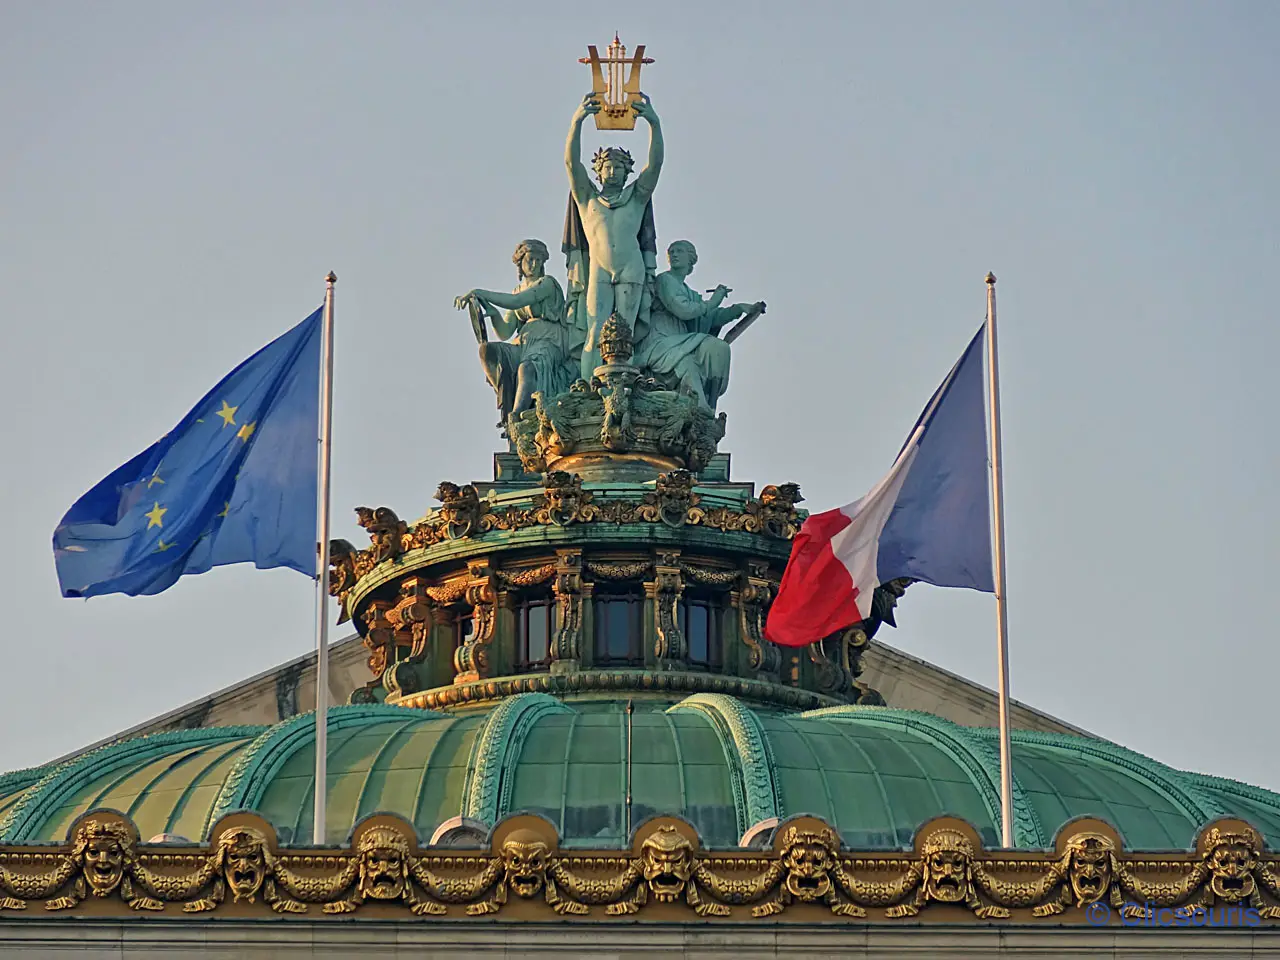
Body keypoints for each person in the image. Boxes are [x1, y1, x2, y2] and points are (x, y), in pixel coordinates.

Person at [564, 91, 663, 380]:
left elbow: (655, 166)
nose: (613, 171)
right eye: (608, 166)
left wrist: (654, 125)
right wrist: (577, 121)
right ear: (598, 170)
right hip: (600, 269)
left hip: (631, 267)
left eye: (619, 167)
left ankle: (624, 389)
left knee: (625, 331)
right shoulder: (587, 199)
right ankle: (586, 388)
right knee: (595, 331)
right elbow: (571, 164)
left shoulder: (636, 197)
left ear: (626, 172)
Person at [454, 239, 573, 430]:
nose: (534, 264)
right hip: (524, 342)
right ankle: (507, 397)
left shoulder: (547, 284)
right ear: (520, 263)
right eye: (530, 260)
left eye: (538, 260)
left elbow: (516, 301)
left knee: (526, 368)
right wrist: (493, 315)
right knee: (487, 351)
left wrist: (479, 292)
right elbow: (504, 332)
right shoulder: (518, 289)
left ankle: (516, 416)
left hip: (549, 339)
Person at [634, 240, 762, 411]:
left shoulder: (689, 292)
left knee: (718, 347)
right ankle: (700, 409)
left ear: (691, 259)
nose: (674, 254)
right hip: (660, 339)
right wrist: (714, 301)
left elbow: (708, 317)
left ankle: (709, 400)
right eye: (671, 252)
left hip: (678, 340)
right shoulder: (664, 280)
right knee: (686, 363)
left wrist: (738, 309)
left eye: (679, 251)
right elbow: (683, 310)